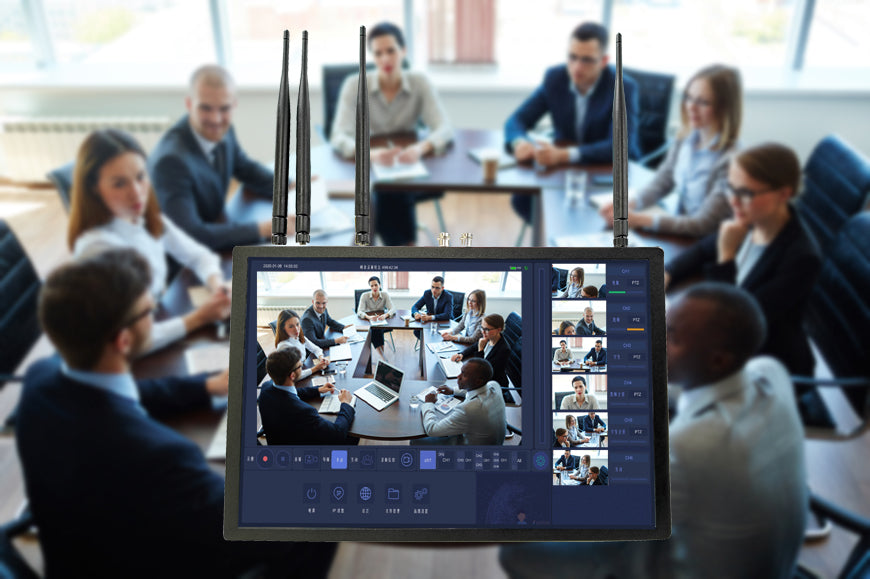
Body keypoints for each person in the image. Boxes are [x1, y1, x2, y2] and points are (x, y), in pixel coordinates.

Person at [16, 249, 336, 577]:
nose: (154, 313)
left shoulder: (41, 379)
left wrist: (204, 387)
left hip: (75, 551)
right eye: (147, 311)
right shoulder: (163, 459)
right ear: (124, 340)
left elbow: (131, 393)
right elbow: (249, 530)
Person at [500, 283, 807, 578]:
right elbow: (679, 391)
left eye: (671, 336)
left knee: (519, 551)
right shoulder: (769, 372)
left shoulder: (697, 446)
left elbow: (601, 516)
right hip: (764, 556)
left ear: (717, 359)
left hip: (688, 569)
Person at [68, 128, 231, 354]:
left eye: (140, 177)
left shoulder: (146, 218)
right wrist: (200, 318)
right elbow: (130, 340)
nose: (136, 193)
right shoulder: (97, 248)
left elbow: (198, 254)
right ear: (94, 189)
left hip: (159, 320)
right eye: (119, 183)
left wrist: (217, 284)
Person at [665, 143, 821, 376]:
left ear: (784, 194)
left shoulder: (802, 258)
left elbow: (735, 324)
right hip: (723, 346)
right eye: (730, 188)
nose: (733, 201)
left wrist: (726, 256)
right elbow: (700, 252)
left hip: (760, 364)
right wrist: (665, 273)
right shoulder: (752, 219)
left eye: (746, 193)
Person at [331, 21, 453, 246]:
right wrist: (372, 155)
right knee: (379, 193)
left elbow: (444, 128)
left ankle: (372, 251)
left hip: (407, 165)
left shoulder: (419, 83)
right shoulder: (354, 85)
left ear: (403, 51)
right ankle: (402, 250)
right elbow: (339, 136)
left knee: (390, 193)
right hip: (367, 166)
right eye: (378, 53)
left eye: (391, 51)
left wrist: (420, 148)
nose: (385, 59)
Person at [504, 22, 640, 223]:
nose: (577, 67)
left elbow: (619, 146)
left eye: (587, 60)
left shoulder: (623, 87)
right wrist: (519, 143)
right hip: (566, 173)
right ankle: (549, 246)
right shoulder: (555, 78)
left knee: (591, 216)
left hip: (607, 173)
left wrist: (564, 155)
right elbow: (516, 120)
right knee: (523, 200)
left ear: (604, 61)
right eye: (572, 57)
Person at [600, 64, 742, 237]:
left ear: (724, 108)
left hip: (709, 243)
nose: (691, 107)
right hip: (680, 233)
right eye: (689, 98)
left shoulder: (731, 161)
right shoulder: (686, 138)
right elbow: (663, 181)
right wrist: (630, 204)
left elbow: (702, 225)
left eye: (703, 102)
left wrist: (637, 219)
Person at [148, 65, 278, 250]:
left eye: (224, 108)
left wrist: (290, 187)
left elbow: (244, 167)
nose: (216, 119)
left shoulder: (224, 130)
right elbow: (192, 236)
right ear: (189, 104)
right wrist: (261, 229)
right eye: (206, 108)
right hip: (180, 262)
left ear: (234, 105)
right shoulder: (170, 162)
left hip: (214, 231)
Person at [258, 347, 357, 446]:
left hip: (277, 442)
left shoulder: (266, 388)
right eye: (300, 366)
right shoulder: (303, 412)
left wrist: (318, 390)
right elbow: (337, 435)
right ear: (292, 375)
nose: (302, 367)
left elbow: (291, 393)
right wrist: (345, 403)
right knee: (352, 436)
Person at [418, 358, 507, 445]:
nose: (458, 376)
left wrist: (429, 403)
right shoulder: (494, 385)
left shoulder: (469, 409)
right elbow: (474, 390)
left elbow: (432, 430)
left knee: (416, 441)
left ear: (478, 381)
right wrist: (453, 390)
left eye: (464, 375)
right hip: (494, 441)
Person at [451, 314, 511, 395]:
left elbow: (482, 372)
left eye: (487, 329)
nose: (483, 332)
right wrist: (462, 354)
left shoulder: (503, 350)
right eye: (482, 328)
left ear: (498, 330)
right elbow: (473, 347)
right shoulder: (489, 337)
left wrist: (480, 350)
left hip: (492, 386)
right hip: (481, 380)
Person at [274, 309, 329, 380]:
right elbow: (295, 376)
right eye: (291, 326)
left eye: (297, 324)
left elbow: (316, 349)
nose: (296, 329)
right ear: (283, 328)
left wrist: (321, 358)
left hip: (303, 369)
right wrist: (316, 368)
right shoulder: (284, 346)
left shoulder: (298, 336)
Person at [357, 276, 396, 357]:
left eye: (376, 285)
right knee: (375, 330)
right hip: (369, 321)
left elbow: (393, 309)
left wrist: (385, 315)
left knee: (377, 330)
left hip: (382, 320)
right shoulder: (364, 296)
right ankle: (382, 356)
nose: (374, 287)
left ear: (380, 285)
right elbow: (359, 311)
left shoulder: (385, 295)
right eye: (372, 286)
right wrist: (368, 317)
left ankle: (382, 356)